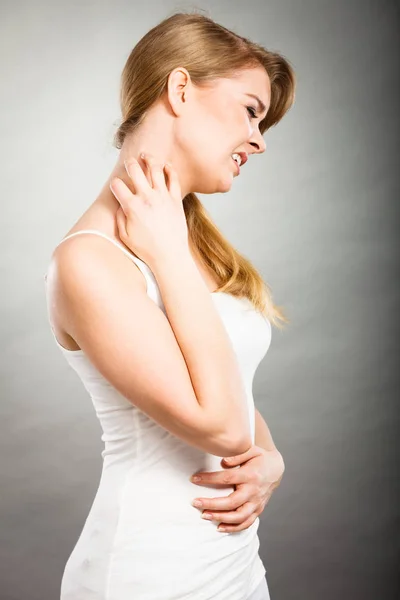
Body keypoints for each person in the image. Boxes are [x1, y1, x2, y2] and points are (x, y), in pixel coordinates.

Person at [44, 11, 296, 600]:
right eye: (251, 111)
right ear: (180, 89)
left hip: (234, 566)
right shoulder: (89, 261)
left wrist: (274, 458)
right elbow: (221, 427)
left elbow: (226, 387)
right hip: (147, 573)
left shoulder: (187, 246)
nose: (259, 140)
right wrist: (167, 254)